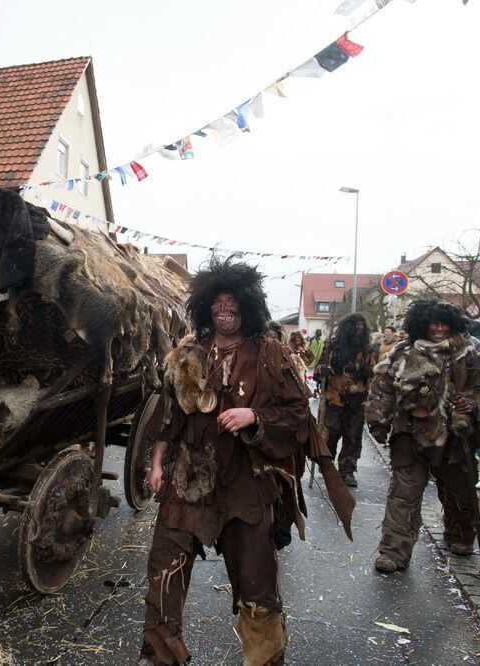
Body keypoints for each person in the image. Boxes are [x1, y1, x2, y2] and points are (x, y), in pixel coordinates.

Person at [139, 257, 312, 666]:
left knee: (257, 582)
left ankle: (264, 658)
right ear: (206, 308)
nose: (224, 309)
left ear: (247, 307)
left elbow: (299, 413)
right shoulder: (188, 353)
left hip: (245, 484)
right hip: (188, 480)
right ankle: (159, 654)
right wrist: (157, 463)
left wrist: (256, 416)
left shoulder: (270, 353)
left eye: (233, 302)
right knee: (165, 569)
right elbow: (170, 416)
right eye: (217, 303)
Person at [366, 300, 480, 572]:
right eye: (433, 324)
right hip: (409, 434)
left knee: (459, 493)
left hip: (453, 438)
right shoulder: (403, 352)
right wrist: (378, 420)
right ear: (422, 325)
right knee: (403, 495)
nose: (438, 329)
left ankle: (460, 537)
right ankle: (393, 552)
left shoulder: (467, 354)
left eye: (443, 324)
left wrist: (472, 405)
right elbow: (383, 388)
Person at [314, 312, 377, 487]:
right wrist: (322, 370)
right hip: (334, 398)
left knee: (353, 436)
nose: (359, 328)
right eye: (355, 324)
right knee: (331, 433)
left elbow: (373, 370)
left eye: (361, 325)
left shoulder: (367, 348)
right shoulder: (332, 346)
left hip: (357, 398)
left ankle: (347, 470)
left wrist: (360, 368)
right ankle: (327, 467)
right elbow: (319, 370)